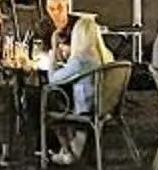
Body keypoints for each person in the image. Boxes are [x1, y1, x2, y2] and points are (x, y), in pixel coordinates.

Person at [42, 12, 115, 162]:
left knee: (50, 99)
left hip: (86, 109)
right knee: (61, 97)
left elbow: (53, 79)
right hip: (104, 106)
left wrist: (54, 50)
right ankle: (70, 148)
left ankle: (66, 151)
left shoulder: (81, 61)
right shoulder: (107, 56)